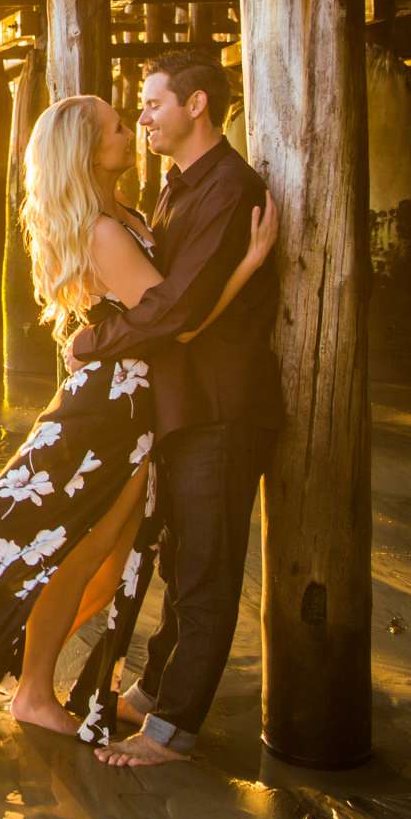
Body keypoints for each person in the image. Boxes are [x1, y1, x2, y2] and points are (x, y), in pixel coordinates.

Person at [0, 91, 274, 745]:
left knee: (105, 556)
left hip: (129, 399)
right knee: (80, 554)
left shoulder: (120, 213)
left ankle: (28, 673)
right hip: (115, 407)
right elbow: (178, 326)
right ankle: (32, 690)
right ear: (86, 149)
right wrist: (248, 266)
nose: (129, 132)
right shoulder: (105, 231)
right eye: (114, 127)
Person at [68, 51, 282, 769]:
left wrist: (94, 343)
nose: (143, 117)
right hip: (184, 403)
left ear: (195, 105)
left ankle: (172, 733)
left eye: (153, 104)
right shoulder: (178, 187)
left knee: (207, 571)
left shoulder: (228, 187)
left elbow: (177, 307)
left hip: (222, 406)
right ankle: (155, 692)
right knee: (179, 558)